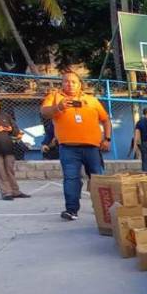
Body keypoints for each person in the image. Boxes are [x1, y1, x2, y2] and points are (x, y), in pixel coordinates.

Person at [41, 71, 112, 221]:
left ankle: (103, 209)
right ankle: (71, 210)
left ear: (80, 84)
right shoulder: (55, 97)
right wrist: (58, 107)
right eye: (66, 81)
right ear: (62, 83)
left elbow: (105, 120)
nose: (70, 84)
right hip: (68, 148)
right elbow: (44, 112)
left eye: (73, 82)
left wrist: (107, 138)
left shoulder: (91, 100)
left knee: (98, 178)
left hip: (92, 147)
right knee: (71, 178)